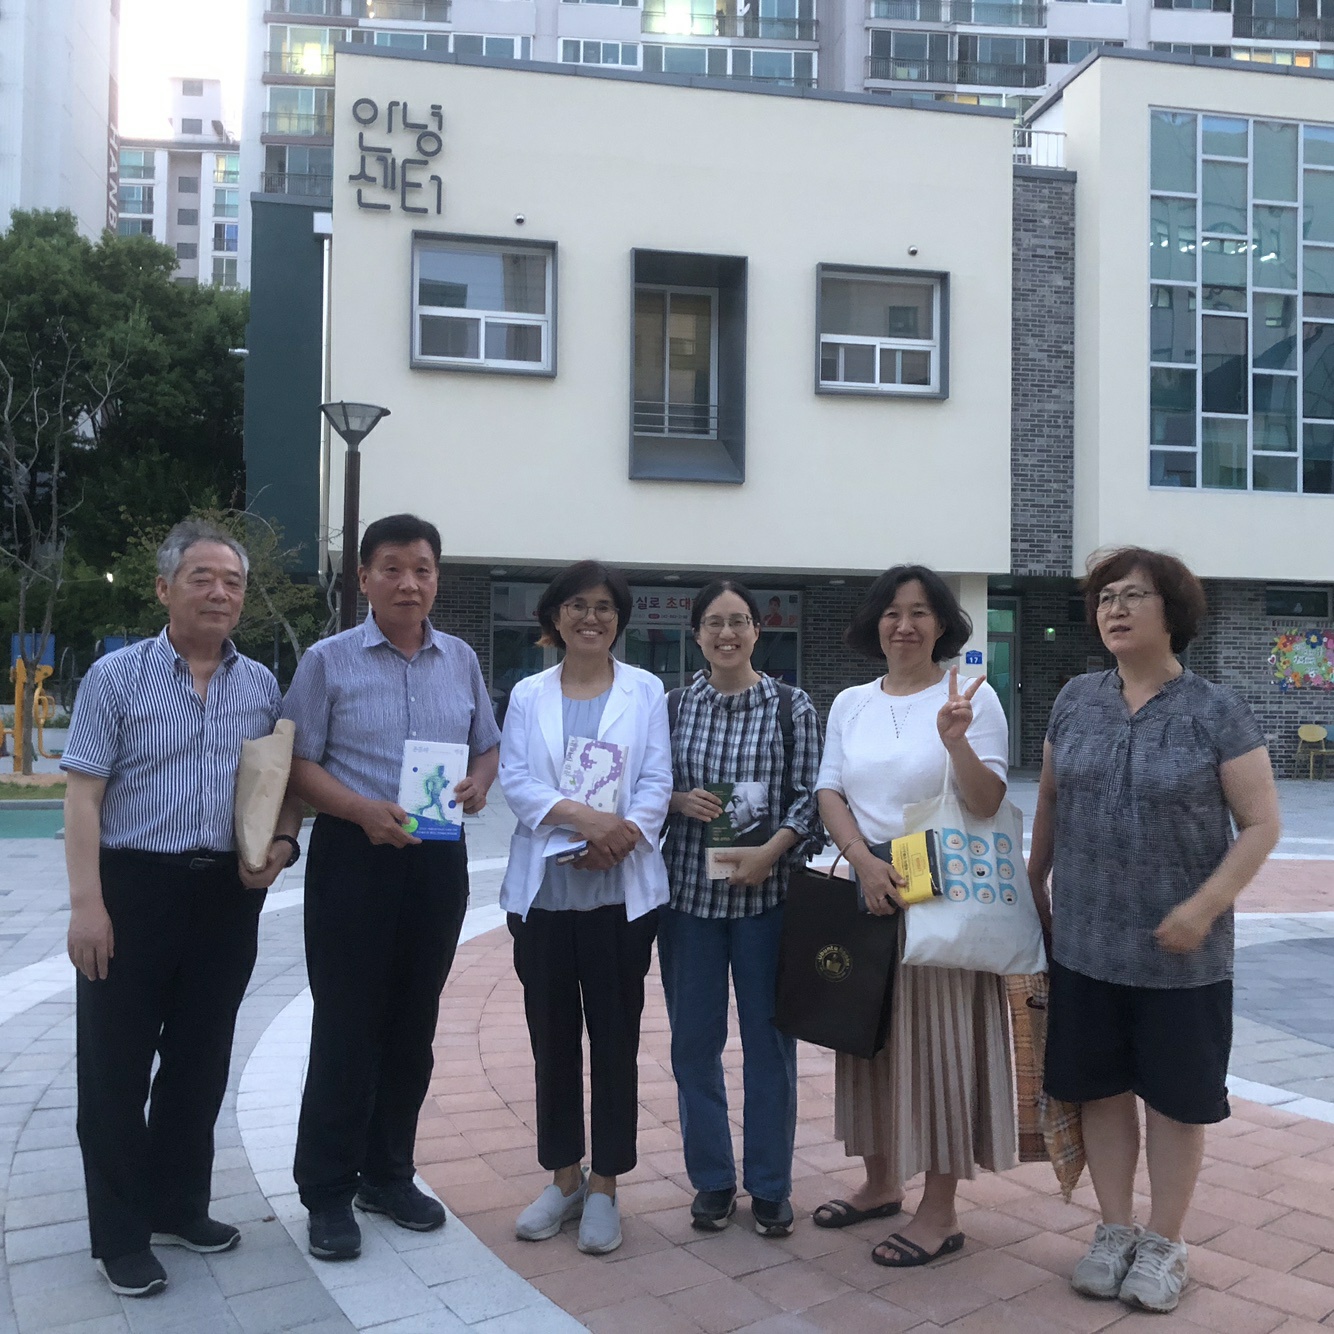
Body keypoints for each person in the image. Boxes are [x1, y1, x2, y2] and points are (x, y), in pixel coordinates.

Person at [1027, 547, 1280, 1314]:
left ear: (1173, 611)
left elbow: (1261, 823)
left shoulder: (1215, 710)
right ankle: (1114, 1229)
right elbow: (1050, 799)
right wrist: (1034, 883)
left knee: (1174, 1101)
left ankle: (1165, 1242)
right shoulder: (1076, 698)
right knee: (1100, 1091)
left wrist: (1204, 907)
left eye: (1133, 595)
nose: (1114, 608)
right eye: (1105, 597)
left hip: (1182, 957)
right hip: (1085, 945)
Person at [63, 520, 302, 1298]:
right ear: (165, 587)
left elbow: (279, 783)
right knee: (115, 1068)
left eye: (232, 581)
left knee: (200, 1061)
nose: (219, 592)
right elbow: (83, 797)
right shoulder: (116, 678)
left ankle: (177, 1206)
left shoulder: (259, 685)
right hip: (133, 889)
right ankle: (120, 1236)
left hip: (223, 896)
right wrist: (88, 906)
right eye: (202, 578)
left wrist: (282, 845)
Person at [282, 513, 501, 1262]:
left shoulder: (459, 658)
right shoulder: (327, 661)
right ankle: (326, 1189)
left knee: (413, 1026)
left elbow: (487, 745)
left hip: (437, 860)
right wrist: (356, 810)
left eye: (422, 570)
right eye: (393, 568)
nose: (409, 583)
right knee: (347, 1027)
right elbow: (297, 762)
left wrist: (479, 782)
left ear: (438, 578)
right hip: (355, 856)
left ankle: (388, 1175)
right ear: (365, 578)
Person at [813, 565, 1014, 1268]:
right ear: (875, 623)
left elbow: (987, 803)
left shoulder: (971, 696)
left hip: (942, 895)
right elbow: (829, 789)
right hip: (868, 888)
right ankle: (879, 1183)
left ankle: (940, 1211)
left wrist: (956, 740)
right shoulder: (851, 702)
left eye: (921, 611)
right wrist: (861, 863)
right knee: (865, 1041)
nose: (905, 624)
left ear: (943, 624)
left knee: (940, 1048)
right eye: (892, 611)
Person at [498, 561, 672, 1257]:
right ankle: (563, 1177)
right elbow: (516, 780)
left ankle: (606, 1185)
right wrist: (585, 820)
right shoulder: (528, 693)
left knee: (615, 1040)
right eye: (577, 605)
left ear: (619, 619)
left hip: (619, 897)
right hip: (544, 897)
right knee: (552, 1039)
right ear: (555, 616)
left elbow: (656, 778)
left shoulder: (645, 690)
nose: (590, 617)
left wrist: (620, 836)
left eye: (604, 606)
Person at [659, 580, 823, 1236]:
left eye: (738, 621)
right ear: (697, 634)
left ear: (758, 629)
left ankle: (770, 1185)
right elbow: (647, 785)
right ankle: (712, 1180)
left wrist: (772, 851)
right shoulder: (673, 707)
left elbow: (811, 796)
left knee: (769, 1046)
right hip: (688, 904)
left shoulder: (791, 706)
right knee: (693, 1045)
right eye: (713, 623)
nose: (726, 634)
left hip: (768, 903)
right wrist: (678, 800)